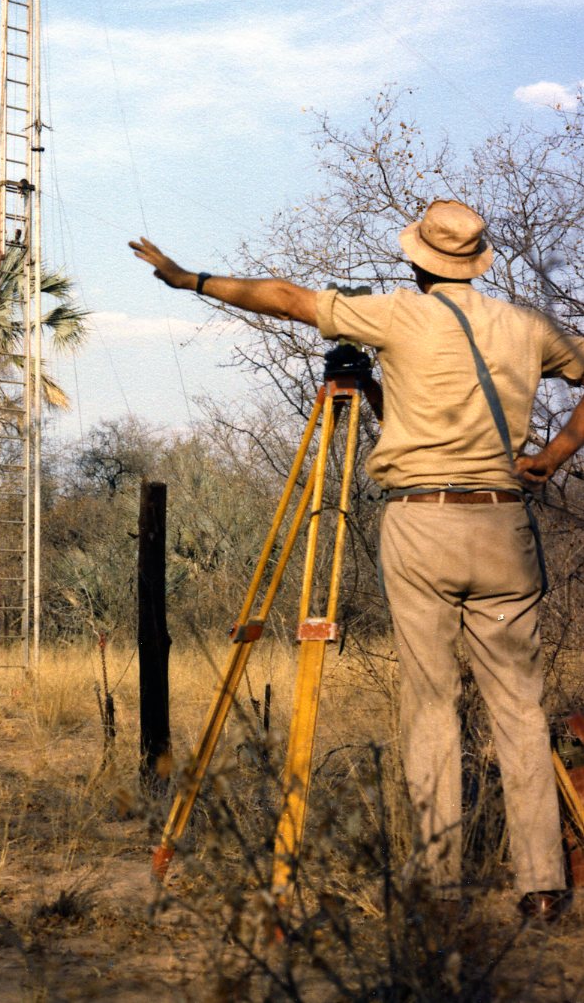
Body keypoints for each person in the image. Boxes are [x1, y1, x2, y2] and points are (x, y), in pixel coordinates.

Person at [130, 199, 584, 922]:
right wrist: (556, 453)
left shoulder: (397, 314)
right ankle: (540, 886)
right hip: (503, 523)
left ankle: (437, 882)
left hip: (422, 522)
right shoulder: (525, 327)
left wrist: (191, 279)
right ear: (477, 259)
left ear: (417, 261)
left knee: (431, 703)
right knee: (519, 709)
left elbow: (284, 297)